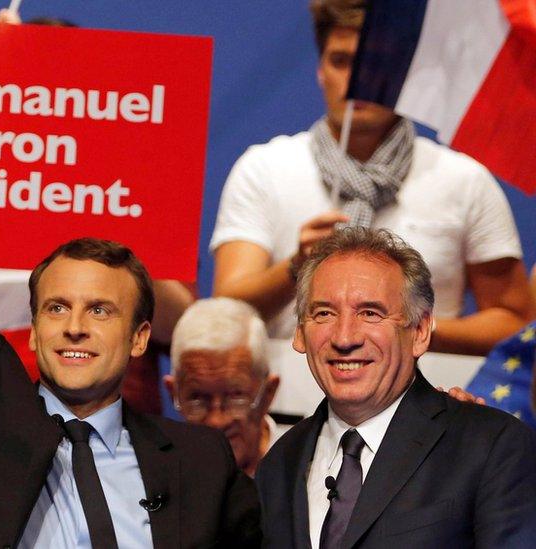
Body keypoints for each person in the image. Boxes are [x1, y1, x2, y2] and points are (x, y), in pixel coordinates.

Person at [0, 7, 261, 547]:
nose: (74, 327)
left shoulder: (199, 460)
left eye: (100, 310)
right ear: (34, 330)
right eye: (56, 308)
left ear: (139, 337)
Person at [210, 0, 533, 356]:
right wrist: (296, 267)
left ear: (405, 70)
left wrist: (411, 329)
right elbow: (224, 314)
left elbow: (513, 321)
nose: (359, 78)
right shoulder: (264, 169)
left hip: (423, 400)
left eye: (376, 61)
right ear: (320, 70)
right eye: (342, 61)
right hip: (286, 395)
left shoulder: (464, 180)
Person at [255, 227, 536, 548]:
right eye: (324, 313)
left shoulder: (490, 447)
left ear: (419, 332)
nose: (345, 338)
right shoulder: (280, 462)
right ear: (300, 334)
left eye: (370, 313)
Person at [164, 297, 282, 476]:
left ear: (268, 394)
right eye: (197, 399)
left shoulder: (303, 471)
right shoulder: (156, 480)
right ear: (174, 393)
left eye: (235, 397)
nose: (216, 421)